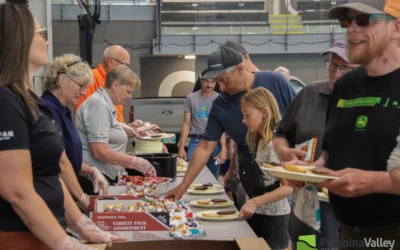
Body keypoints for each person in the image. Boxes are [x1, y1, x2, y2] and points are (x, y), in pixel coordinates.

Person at [0, 4, 124, 249]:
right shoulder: (5, 101)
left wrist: (82, 225)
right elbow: (17, 191)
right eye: (40, 33)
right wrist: (66, 243)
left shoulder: (28, 99)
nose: (46, 41)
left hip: (45, 231)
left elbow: (50, 175)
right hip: (19, 235)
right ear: (20, 40)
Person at [296, 0, 400, 247]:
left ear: (396, 28)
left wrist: (370, 182)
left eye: (364, 21)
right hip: (350, 235)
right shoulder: (345, 86)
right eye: (346, 22)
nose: (351, 29)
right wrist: (309, 172)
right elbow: (330, 155)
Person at [165, 47, 295, 212]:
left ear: (239, 69)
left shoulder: (275, 81)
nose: (221, 87)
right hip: (251, 185)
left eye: (224, 80)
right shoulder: (221, 105)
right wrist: (183, 186)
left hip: (284, 183)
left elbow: (302, 118)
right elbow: (206, 147)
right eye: (217, 82)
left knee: (289, 230)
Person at [273, 40, 358, 249]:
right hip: (308, 206)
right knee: (305, 246)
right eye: (332, 65)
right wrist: (284, 151)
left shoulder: (372, 102)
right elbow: (281, 133)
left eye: (345, 67)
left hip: (355, 209)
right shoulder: (309, 94)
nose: (337, 73)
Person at [42, 54, 109, 205]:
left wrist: (91, 171)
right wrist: (82, 198)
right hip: (57, 197)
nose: (84, 92)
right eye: (81, 86)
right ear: (61, 80)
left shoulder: (62, 111)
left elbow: (70, 160)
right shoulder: (47, 111)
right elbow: (60, 162)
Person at [75, 65, 156, 185]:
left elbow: (107, 133)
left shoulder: (106, 104)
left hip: (103, 174)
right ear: (115, 85)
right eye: (128, 91)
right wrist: (134, 161)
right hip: (94, 177)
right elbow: (99, 151)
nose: (130, 96)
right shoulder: (98, 105)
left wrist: (128, 129)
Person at [239, 88, 291, 250]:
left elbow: (288, 187)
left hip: (274, 219)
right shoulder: (260, 141)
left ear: (264, 112)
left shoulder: (274, 144)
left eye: (247, 115)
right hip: (258, 214)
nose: (243, 120)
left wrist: (255, 201)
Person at [177, 69, 226, 180]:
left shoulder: (219, 99)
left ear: (216, 82)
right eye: (206, 81)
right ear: (201, 81)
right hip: (196, 142)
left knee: (213, 179)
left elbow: (221, 125)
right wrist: (181, 147)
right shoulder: (191, 98)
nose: (209, 85)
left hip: (214, 143)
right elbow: (186, 123)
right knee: (190, 177)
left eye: (212, 82)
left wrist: (223, 149)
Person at [75, 45, 129, 123]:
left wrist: (129, 128)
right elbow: (85, 118)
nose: (127, 70)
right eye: (125, 65)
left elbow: (117, 120)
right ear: (110, 62)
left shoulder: (114, 82)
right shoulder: (92, 79)